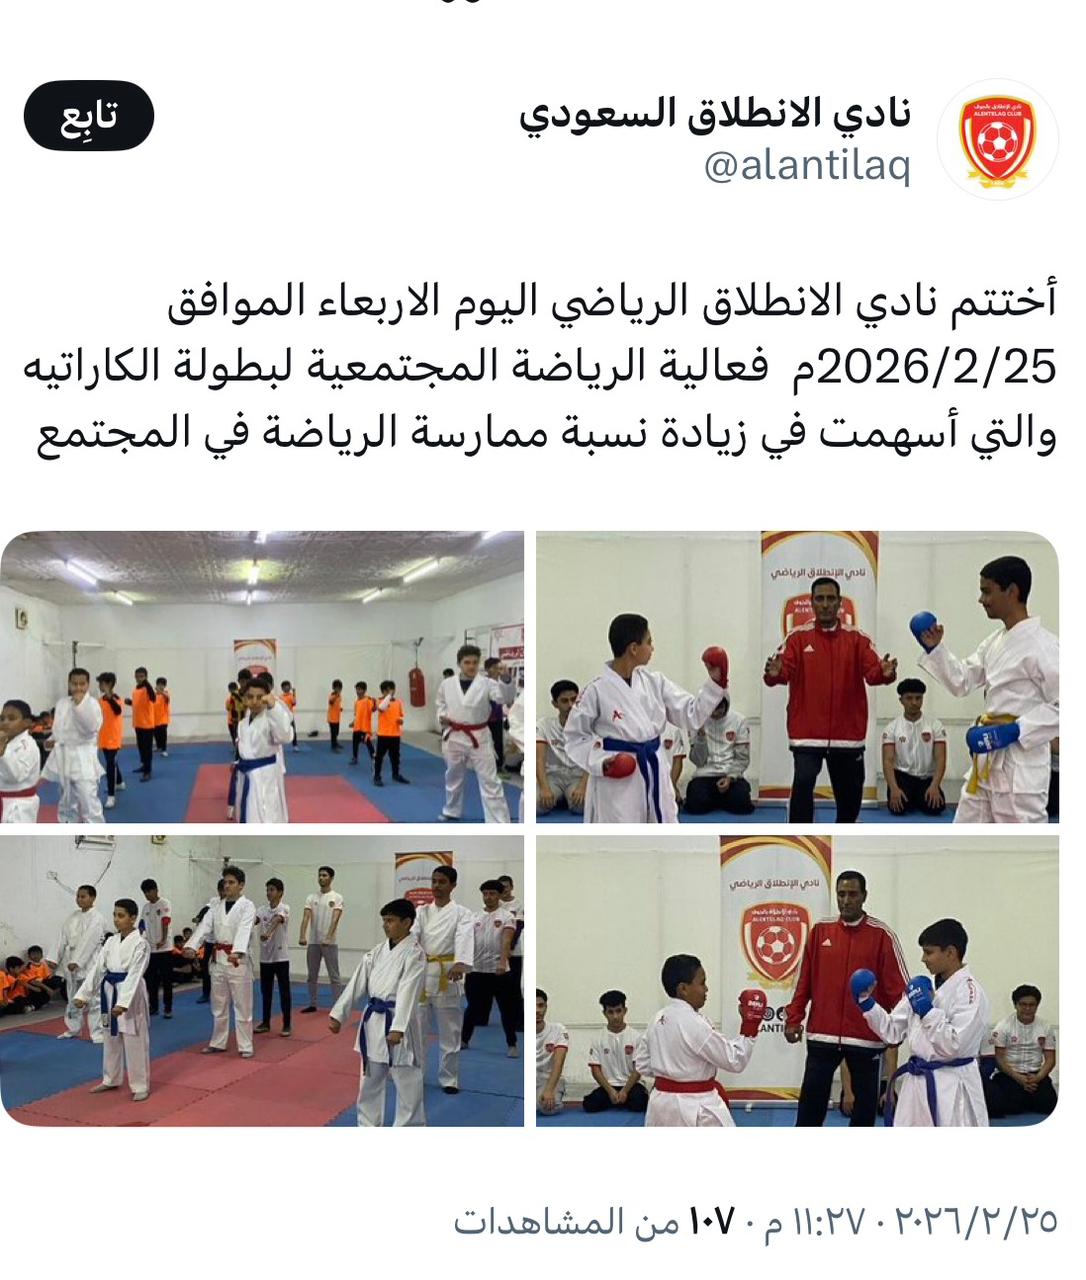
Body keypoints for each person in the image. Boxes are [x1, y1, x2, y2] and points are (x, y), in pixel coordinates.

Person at [913, 556, 1059, 823]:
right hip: (987, 757)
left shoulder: (1044, 646)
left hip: (1021, 765)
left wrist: (1017, 730)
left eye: (987, 591)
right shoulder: (995, 641)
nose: (981, 599)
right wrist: (935, 649)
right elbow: (962, 681)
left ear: (1012, 591)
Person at [563, 614, 726, 823]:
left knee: (662, 824)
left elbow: (691, 714)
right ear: (633, 648)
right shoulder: (596, 690)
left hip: (653, 765)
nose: (652, 648)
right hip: (618, 774)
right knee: (621, 829)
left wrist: (715, 683)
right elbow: (574, 737)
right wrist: (602, 762)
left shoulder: (654, 682)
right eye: (649, 642)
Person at [764, 579, 897, 823]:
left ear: (839, 603)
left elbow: (873, 674)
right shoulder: (797, 638)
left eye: (830, 599)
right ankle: (800, 834)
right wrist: (775, 673)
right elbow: (782, 672)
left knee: (850, 802)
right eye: (820, 599)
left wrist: (885, 673)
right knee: (803, 784)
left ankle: (845, 833)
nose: (825, 604)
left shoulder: (858, 640)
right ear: (812, 603)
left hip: (848, 736)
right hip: (806, 734)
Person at [784, 870, 908, 1126]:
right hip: (822, 1036)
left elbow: (899, 991)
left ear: (864, 896)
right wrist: (794, 1018)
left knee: (863, 1115)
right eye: (841, 894)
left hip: (866, 1039)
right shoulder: (820, 931)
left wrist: (899, 1028)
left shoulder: (882, 935)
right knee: (809, 1110)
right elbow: (804, 980)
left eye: (852, 894)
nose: (846, 900)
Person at [854, 917, 989, 1126]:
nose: (923, 959)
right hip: (916, 1082)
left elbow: (954, 1046)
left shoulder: (970, 992)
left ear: (950, 952)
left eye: (929, 952)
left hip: (952, 1085)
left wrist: (927, 1011)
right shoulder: (922, 987)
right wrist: (867, 1004)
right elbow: (892, 1031)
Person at [634, 955, 765, 1127]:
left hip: (660, 1105)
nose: (706, 989)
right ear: (683, 989)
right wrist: (750, 1025)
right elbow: (735, 1060)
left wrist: (669, 1076)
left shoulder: (656, 1019)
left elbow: (642, 1064)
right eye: (702, 983)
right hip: (695, 1105)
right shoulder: (694, 1023)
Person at [329, 898, 427, 1127]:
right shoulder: (376, 952)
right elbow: (357, 982)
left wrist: (398, 1028)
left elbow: (408, 991)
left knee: (407, 1079)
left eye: (390, 921)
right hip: (373, 1020)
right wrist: (339, 1014)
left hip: (398, 1020)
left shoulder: (415, 953)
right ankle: (368, 1125)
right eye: (384, 921)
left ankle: (410, 1127)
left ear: (407, 923)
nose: (385, 925)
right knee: (369, 1079)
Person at [72, 898, 152, 1102]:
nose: (116, 919)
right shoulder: (110, 941)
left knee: (134, 1040)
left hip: (129, 994)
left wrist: (123, 1003)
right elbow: (98, 968)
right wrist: (83, 994)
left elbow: (135, 974)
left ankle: (140, 1085)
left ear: (133, 918)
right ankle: (111, 1079)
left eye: (121, 915)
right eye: (115, 915)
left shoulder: (141, 943)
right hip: (109, 992)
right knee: (109, 1037)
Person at [183, 865, 257, 1057]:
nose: (227, 886)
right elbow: (203, 927)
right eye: (225, 882)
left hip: (238, 962)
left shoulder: (247, 906)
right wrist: (192, 946)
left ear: (241, 885)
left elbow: (245, 929)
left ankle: (246, 1045)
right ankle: (218, 1042)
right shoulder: (215, 906)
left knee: (242, 1006)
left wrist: (238, 951)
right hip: (218, 960)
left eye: (231, 882)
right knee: (218, 1004)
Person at [436, 644, 514, 823]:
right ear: (459, 664)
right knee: (453, 776)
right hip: (454, 735)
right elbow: (440, 703)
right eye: (467, 662)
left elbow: (505, 698)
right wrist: (442, 716)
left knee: (490, 780)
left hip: (479, 736)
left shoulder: (488, 683)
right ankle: (451, 810)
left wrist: (506, 679)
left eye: (475, 662)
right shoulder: (447, 684)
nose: (471, 666)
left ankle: (498, 821)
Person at [413, 865, 474, 1093]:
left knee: (450, 1032)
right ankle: (415, 1075)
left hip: (448, 974)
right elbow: (413, 937)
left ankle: (449, 1078)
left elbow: (464, 937)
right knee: (417, 1031)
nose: (436, 886)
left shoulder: (462, 913)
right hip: (421, 974)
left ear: (453, 885)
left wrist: (461, 962)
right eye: (434, 881)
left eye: (442, 882)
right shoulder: (421, 911)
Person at [461, 880, 519, 1056]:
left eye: (492, 893)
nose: (488, 897)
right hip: (477, 970)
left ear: (499, 895)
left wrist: (502, 961)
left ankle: (512, 1044)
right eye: (485, 894)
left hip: (499, 972)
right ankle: (464, 1039)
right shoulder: (474, 917)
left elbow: (507, 941)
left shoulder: (507, 917)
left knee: (505, 1009)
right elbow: (466, 941)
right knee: (472, 1008)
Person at [984, 984, 1058, 1118]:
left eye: (1032, 1005)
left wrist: (1038, 1078)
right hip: (1010, 1075)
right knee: (1007, 1107)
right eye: (1023, 1004)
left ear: (1037, 1005)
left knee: (1049, 1105)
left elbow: (1050, 1059)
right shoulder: (1002, 1027)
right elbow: (999, 1059)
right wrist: (1019, 1079)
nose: (1027, 1009)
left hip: (1036, 1075)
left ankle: (1029, 1098)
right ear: (1015, 1005)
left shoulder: (1046, 1027)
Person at [41, 667, 105, 822]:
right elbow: (59, 729)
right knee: (66, 802)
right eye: (74, 684)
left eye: (82, 684)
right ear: (69, 684)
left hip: (83, 758)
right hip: (64, 758)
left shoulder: (92, 704)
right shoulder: (62, 703)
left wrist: (79, 705)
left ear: (88, 684)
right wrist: (52, 739)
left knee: (89, 801)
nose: (78, 688)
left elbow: (91, 728)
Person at [881, 677, 947, 816]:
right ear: (901, 700)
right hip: (902, 778)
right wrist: (894, 789)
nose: (914, 702)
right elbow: (887, 760)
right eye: (909, 698)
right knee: (898, 809)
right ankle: (912, 799)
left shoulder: (935, 725)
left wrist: (935, 786)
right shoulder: (892, 728)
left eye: (918, 698)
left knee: (936, 808)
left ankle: (917, 798)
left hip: (926, 779)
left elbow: (941, 758)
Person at [684, 690, 756, 816]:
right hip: (704, 775)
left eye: (720, 709)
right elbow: (698, 761)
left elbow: (742, 758)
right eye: (712, 710)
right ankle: (718, 800)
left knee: (742, 804)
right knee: (695, 805)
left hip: (730, 775)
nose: (716, 714)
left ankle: (717, 800)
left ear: (726, 705)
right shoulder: (696, 722)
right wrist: (701, 737)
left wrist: (730, 777)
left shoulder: (739, 721)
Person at [233, 673, 293, 823]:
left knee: (267, 816)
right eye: (250, 697)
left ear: (267, 697)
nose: (254, 701)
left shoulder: (271, 719)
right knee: (247, 812)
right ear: (244, 698)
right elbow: (245, 750)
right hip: (247, 774)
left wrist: (273, 707)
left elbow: (285, 736)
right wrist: (238, 763)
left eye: (260, 697)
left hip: (265, 776)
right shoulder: (243, 723)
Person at [51, 884, 107, 1041]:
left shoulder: (97, 918)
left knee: (95, 999)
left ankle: (98, 1032)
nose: (79, 899)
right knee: (73, 998)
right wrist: (54, 958)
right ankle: (73, 1028)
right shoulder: (73, 917)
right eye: (78, 896)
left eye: (83, 896)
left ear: (93, 898)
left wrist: (77, 960)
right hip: (71, 961)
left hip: (90, 962)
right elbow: (62, 937)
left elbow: (90, 941)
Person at [583, 990, 649, 1114]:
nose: (615, 1016)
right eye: (610, 1012)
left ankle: (620, 1099)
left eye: (618, 1011)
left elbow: (638, 1069)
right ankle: (616, 1099)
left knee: (640, 1103)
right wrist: (610, 1091)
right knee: (589, 1105)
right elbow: (595, 1070)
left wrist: (625, 1091)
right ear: (604, 1013)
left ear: (625, 1011)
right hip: (609, 1086)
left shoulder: (636, 1037)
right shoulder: (598, 1038)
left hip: (630, 1085)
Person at [535, 680, 587, 816]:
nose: (570, 705)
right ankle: (558, 796)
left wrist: (583, 787)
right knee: (536, 806)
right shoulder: (544, 725)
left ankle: (566, 798)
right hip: (553, 777)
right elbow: (539, 760)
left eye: (574, 699)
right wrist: (544, 788)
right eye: (564, 701)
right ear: (555, 704)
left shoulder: (587, 726)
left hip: (577, 777)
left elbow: (592, 759)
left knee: (582, 807)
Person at [299, 865, 344, 1012]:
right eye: (319, 875)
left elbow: (335, 919)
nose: (321, 878)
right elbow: (306, 917)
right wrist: (302, 935)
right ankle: (313, 1004)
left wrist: (328, 937)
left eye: (324, 875)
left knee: (334, 976)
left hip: (329, 943)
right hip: (313, 942)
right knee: (312, 976)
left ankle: (338, 1006)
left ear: (331, 878)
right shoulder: (311, 897)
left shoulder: (337, 897)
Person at [255, 877, 292, 1037]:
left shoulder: (284, 908)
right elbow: (253, 920)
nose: (269, 893)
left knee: (284, 992)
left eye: (272, 890)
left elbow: (277, 919)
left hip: (281, 957)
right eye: (267, 890)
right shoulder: (261, 910)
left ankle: (287, 1024)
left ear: (280, 893)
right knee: (266, 991)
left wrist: (268, 933)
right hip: (265, 957)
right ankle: (265, 1022)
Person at [0, 698, 41, 822]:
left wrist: (2, 752)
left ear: (26, 723)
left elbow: (16, 776)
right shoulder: (5, 742)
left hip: (19, 806)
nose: (5, 723)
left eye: (11, 718)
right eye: (2, 719)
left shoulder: (28, 746)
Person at [139, 879, 174, 1019]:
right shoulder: (146, 908)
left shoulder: (164, 903)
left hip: (165, 949)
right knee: (151, 980)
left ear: (156, 890)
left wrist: (164, 939)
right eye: (145, 892)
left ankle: (168, 1007)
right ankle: (153, 1006)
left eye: (149, 891)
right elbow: (141, 924)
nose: (147, 895)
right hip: (151, 949)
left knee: (166, 980)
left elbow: (166, 921)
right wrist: (139, 938)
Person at [535, 989, 569, 1115]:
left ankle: (557, 1090)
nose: (537, 1010)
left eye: (540, 1006)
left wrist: (549, 1090)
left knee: (547, 1108)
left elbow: (558, 1063)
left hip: (548, 1079)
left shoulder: (558, 1030)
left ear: (546, 1007)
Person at [96, 674, 125, 811]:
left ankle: (111, 796)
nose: (99, 686)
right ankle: (119, 782)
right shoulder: (100, 700)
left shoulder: (117, 699)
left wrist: (109, 695)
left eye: (101, 684)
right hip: (104, 737)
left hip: (114, 737)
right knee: (111, 761)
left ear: (108, 684)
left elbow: (118, 711)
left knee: (110, 765)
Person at [124, 666, 157, 782]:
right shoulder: (136, 689)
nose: (139, 679)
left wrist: (146, 683)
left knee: (147, 749)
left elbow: (153, 698)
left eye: (142, 676)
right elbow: (139, 704)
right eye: (137, 677)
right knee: (141, 747)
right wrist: (130, 702)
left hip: (147, 724)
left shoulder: (148, 688)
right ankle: (144, 765)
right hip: (138, 723)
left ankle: (148, 771)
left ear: (146, 677)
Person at [373, 680, 409, 785]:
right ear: (383, 691)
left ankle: (396, 774)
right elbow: (381, 708)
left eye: (392, 690)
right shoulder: (380, 701)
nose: (391, 692)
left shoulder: (398, 702)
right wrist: (388, 696)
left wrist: (400, 721)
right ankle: (377, 776)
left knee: (395, 757)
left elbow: (400, 716)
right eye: (388, 690)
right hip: (383, 735)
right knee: (379, 757)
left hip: (395, 735)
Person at [497, 874, 524, 1010]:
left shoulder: (518, 904)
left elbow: (518, 926)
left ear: (512, 887)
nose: (504, 890)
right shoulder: (495, 904)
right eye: (501, 887)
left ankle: (518, 1015)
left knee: (514, 984)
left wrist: (510, 948)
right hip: (497, 952)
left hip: (514, 952)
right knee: (500, 985)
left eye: (506, 887)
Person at [484, 657, 508, 772]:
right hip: (486, 718)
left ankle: (499, 766)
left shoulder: (501, 683)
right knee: (486, 742)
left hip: (498, 717)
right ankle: (485, 765)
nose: (497, 670)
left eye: (499, 668)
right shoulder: (483, 683)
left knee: (498, 742)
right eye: (494, 668)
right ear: (487, 669)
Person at [349, 681, 376, 766]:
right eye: (357, 689)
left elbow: (373, 709)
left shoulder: (368, 700)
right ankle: (355, 758)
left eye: (359, 689)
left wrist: (374, 702)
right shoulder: (356, 702)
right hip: (357, 727)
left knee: (368, 743)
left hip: (365, 728)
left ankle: (374, 758)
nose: (357, 691)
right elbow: (357, 715)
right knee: (355, 743)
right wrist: (353, 722)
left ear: (364, 690)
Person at [152, 677, 171, 756]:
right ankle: (158, 747)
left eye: (162, 685)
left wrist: (161, 692)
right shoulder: (154, 695)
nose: (160, 686)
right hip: (154, 719)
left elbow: (167, 698)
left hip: (163, 719)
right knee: (156, 735)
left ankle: (164, 750)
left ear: (165, 686)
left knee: (163, 735)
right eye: (159, 684)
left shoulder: (165, 694)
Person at [280, 680, 298, 750]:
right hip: (282, 717)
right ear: (282, 688)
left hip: (290, 717)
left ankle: (295, 745)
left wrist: (294, 693)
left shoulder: (291, 696)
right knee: (280, 731)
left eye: (288, 686)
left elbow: (294, 703)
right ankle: (280, 746)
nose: (287, 688)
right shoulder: (280, 697)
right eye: (285, 687)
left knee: (293, 731)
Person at [327, 679, 344, 752]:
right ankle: (333, 746)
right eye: (337, 688)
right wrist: (336, 695)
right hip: (331, 718)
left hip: (337, 718)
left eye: (340, 688)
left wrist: (340, 708)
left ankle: (336, 743)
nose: (338, 690)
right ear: (333, 688)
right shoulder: (332, 695)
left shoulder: (339, 696)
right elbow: (331, 702)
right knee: (333, 733)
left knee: (337, 732)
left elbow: (337, 704)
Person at [225, 681, 240, 749]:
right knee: (233, 736)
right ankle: (236, 748)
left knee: (239, 736)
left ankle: (239, 749)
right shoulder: (228, 700)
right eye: (231, 690)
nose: (232, 691)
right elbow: (228, 708)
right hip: (231, 721)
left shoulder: (241, 698)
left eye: (234, 689)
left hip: (239, 721)